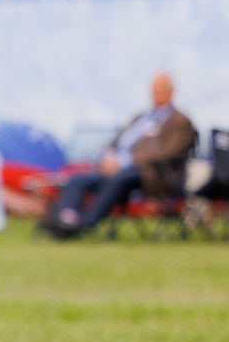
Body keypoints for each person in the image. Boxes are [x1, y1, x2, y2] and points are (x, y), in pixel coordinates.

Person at [42, 72, 196, 238]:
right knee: (77, 180)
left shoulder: (180, 121)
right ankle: (66, 218)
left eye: (161, 88)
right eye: (154, 88)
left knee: (118, 179)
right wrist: (108, 157)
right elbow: (117, 142)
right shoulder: (141, 117)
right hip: (116, 168)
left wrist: (124, 162)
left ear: (171, 91)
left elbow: (169, 153)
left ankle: (85, 223)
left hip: (152, 174)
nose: (156, 92)